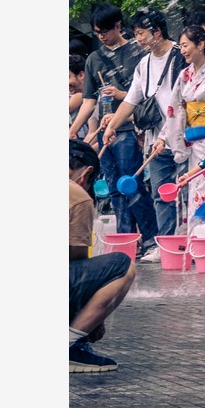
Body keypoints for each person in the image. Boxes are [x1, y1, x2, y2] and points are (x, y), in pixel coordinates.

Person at [101, 8, 187, 261]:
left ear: (157, 32)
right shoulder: (144, 64)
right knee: (162, 192)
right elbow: (131, 100)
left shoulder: (179, 58)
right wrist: (111, 127)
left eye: (141, 33)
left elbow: (181, 102)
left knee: (190, 190)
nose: (138, 39)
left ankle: (193, 240)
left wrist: (167, 133)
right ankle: (166, 244)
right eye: (136, 34)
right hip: (156, 139)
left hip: (184, 136)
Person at [70, 3, 156, 246]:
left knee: (131, 184)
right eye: (97, 33)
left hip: (129, 128)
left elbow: (145, 95)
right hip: (104, 131)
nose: (101, 37)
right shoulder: (94, 59)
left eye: (105, 31)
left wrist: (120, 94)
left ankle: (150, 238)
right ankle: (127, 240)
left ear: (118, 26)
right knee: (114, 189)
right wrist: (74, 129)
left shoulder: (138, 53)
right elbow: (88, 101)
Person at [70, 139, 136, 373]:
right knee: (121, 265)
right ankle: (70, 345)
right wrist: (93, 319)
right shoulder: (76, 194)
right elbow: (74, 259)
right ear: (87, 173)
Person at [164, 25, 205, 227]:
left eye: (185, 45)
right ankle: (197, 240)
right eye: (181, 46)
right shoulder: (185, 75)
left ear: (200, 45)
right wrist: (164, 137)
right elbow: (174, 108)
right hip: (195, 139)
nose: (182, 50)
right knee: (196, 187)